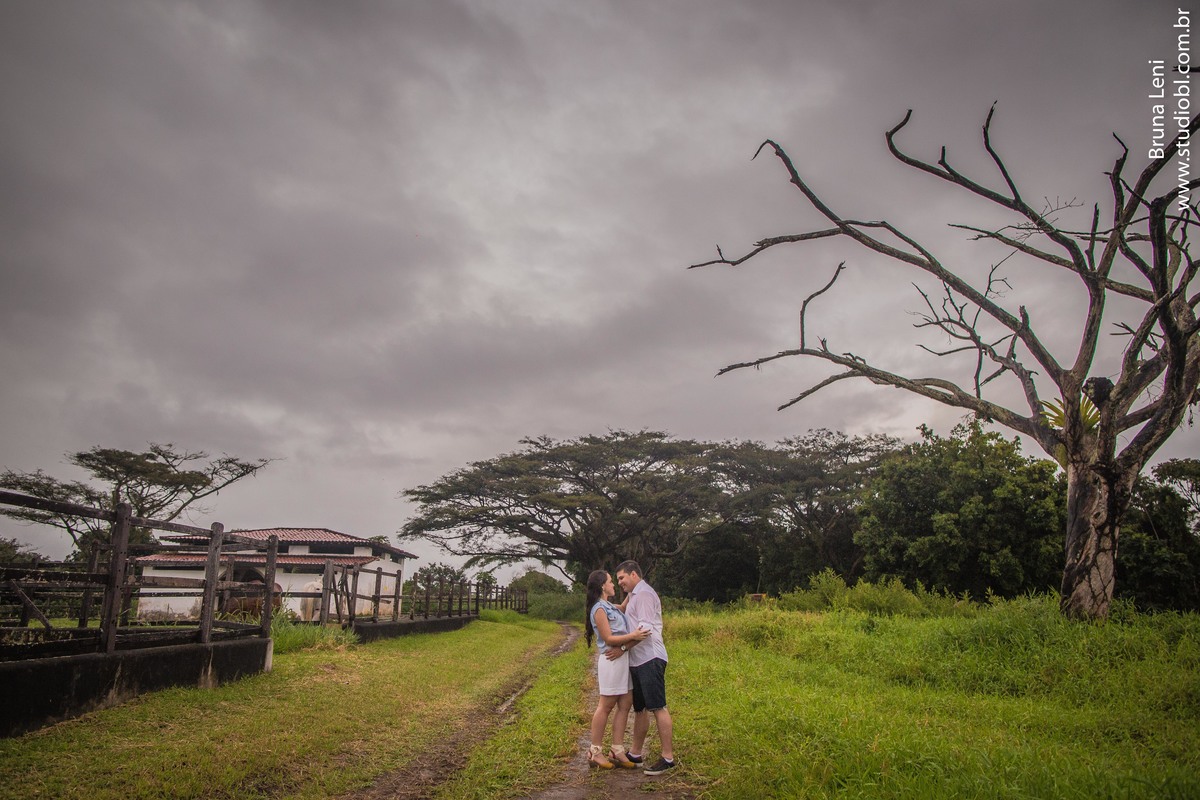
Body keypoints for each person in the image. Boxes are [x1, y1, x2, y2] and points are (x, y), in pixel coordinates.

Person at [584, 569, 650, 769]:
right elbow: (608, 638)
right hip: (612, 660)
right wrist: (633, 637)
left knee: (625, 703)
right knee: (606, 705)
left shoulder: (610, 606)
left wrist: (634, 586)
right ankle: (595, 751)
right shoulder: (599, 609)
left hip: (623, 660)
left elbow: (623, 606)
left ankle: (617, 749)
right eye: (611, 582)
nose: (615, 585)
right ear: (602, 586)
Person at [614, 559, 675, 775]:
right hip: (637, 660)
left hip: (650, 657)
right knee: (640, 709)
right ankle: (636, 753)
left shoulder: (646, 595)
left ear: (633, 575)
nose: (619, 582)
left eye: (621, 578)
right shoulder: (632, 596)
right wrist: (598, 604)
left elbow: (645, 630)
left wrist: (622, 648)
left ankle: (668, 757)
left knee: (658, 706)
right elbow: (620, 610)